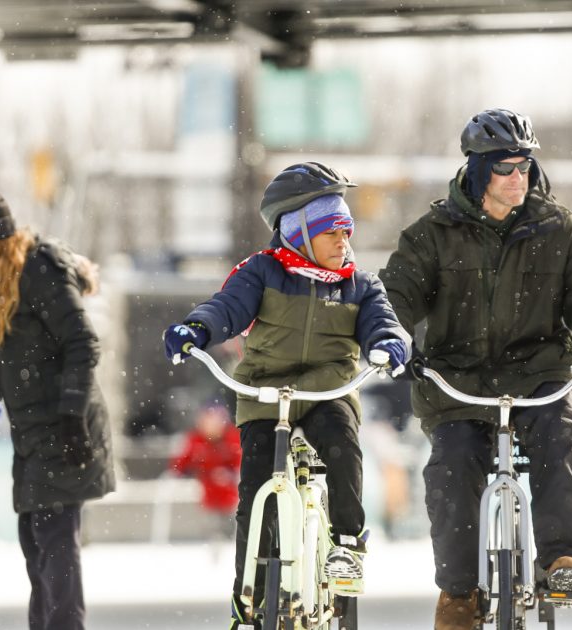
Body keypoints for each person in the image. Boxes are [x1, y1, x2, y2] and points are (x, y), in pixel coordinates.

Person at [379, 108, 572, 630]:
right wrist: (395, 342)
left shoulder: (559, 229)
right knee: (452, 465)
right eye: (505, 167)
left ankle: (563, 561)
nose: (519, 177)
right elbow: (394, 297)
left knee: (562, 437)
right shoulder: (432, 234)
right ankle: (459, 592)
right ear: (477, 172)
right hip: (458, 382)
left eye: (525, 166)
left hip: (540, 373)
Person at [161, 162, 410, 628]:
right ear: (299, 233)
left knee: (342, 446)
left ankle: (347, 545)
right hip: (265, 392)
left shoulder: (361, 286)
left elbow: (384, 324)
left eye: (347, 230)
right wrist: (197, 328)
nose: (343, 241)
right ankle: (248, 598)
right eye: (331, 231)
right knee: (256, 491)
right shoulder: (262, 272)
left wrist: (390, 344)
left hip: (328, 391)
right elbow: (227, 308)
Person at [0, 168, 116, 630]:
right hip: (35, 436)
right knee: (37, 545)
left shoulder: (39, 269)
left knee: (54, 547)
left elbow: (83, 342)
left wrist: (72, 418)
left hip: (64, 429)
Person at [169, 403, 242, 541]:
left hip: (231, 498)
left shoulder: (233, 439)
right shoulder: (194, 440)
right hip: (206, 497)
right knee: (209, 532)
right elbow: (179, 465)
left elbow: (241, 465)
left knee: (232, 531)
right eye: (207, 421)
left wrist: (228, 475)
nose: (211, 426)